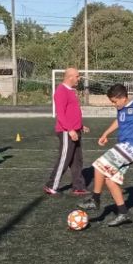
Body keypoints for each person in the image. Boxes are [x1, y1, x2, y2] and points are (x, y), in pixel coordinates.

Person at [80, 84, 133, 226]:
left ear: (123, 98)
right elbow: (119, 121)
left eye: (114, 101)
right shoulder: (121, 109)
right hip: (124, 147)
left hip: (130, 147)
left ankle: (95, 199)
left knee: (99, 165)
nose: (113, 104)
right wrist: (105, 134)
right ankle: (123, 213)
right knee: (110, 181)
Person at [45, 67, 90, 196]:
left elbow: (72, 112)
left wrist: (80, 126)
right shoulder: (61, 91)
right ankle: (51, 186)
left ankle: (78, 186)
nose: (79, 78)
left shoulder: (72, 91)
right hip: (66, 132)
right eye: (77, 76)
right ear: (70, 77)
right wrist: (70, 130)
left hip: (75, 130)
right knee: (64, 159)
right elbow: (61, 114)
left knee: (77, 160)